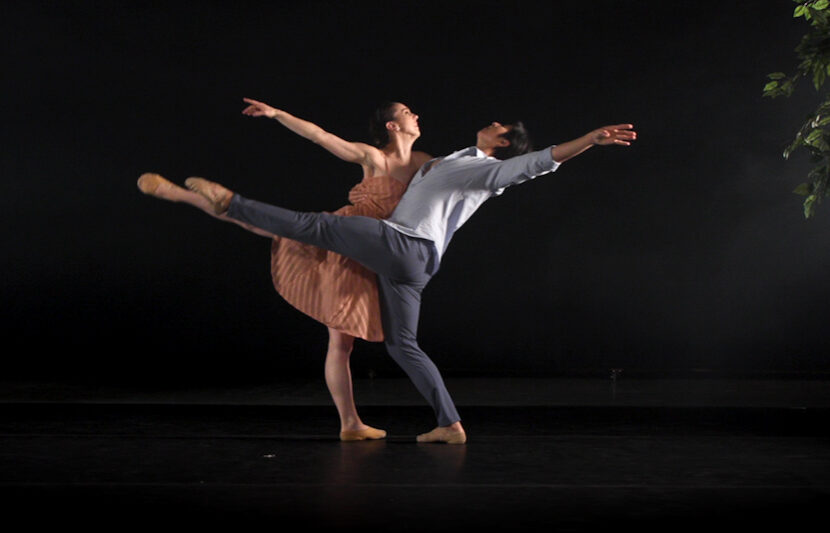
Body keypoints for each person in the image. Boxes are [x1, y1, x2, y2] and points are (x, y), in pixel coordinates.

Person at [174, 119, 637, 444]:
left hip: (403, 245)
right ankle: (450, 425)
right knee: (403, 345)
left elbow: (538, 162)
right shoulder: (449, 160)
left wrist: (589, 140)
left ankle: (231, 203)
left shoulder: (488, 170)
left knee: (318, 227)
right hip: (416, 265)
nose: (492, 122)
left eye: (500, 126)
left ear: (502, 142)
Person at [137, 98, 433, 442]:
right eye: (407, 112)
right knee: (271, 233)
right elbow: (321, 136)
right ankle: (182, 195)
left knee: (342, 342)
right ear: (392, 126)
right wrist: (278, 114)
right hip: (345, 236)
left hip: (379, 250)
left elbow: (460, 178)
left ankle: (351, 425)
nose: (416, 115)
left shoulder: (424, 163)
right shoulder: (374, 157)